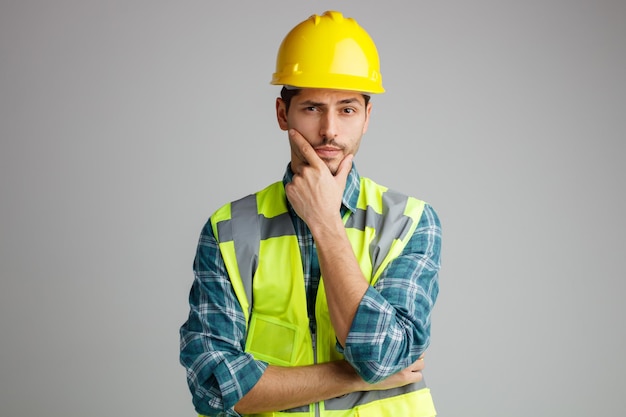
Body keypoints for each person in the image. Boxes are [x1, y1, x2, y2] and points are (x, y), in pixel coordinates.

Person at [179, 10, 442, 417]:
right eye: (313, 108)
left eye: (348, 109)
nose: (330, 130)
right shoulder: (228, 229)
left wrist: (325, 221)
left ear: (368, 117)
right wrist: (353, 376)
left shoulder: (410, 222)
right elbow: (215, 388)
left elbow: (380, 356)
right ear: (283, 113)